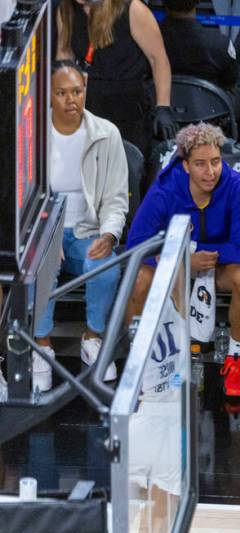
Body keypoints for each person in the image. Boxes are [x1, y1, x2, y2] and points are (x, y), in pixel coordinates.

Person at [126, 123, 240, 398]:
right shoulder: (164, 189)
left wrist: (196, 255)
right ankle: (138, 362)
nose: (210, 172)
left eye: (215, 162)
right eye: (200, 164)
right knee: (138, 279)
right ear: (185, 165)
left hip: (216, 263)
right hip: (176, 260)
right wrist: (183, 259)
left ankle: (235, 360)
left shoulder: (238, 186)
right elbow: (136, 244)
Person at [31, 60, 129, 392]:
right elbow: (22, 200)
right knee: (36, 264)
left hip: (89, 230)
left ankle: (93, 338)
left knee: (106, 265)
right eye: (62, 93)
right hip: (45, 229)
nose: (71, 100)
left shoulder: (107, 134)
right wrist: (42, 234)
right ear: (47, 95)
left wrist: (109, 233)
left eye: (77, 91)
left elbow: (116, 199)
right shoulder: (30, 135)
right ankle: (41, 346)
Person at [56, 0, 179, 156]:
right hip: (88, 108)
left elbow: (158, 59)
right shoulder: (66, 10)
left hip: (128, 109)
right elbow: (64, 56)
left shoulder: (131, 9)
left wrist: (163, 106)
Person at [159, 0, 240, 144]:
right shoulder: (220, 43)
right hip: (210, 112)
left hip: (161, 106)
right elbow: (230, 81)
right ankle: (236, 148)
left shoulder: (147, 40)